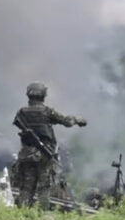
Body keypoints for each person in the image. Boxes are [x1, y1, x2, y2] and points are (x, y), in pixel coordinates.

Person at [11, 82, 86, 210]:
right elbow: (66, 122)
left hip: (27, 154)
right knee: (44, 187)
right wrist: (77, 120)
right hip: (44, 154)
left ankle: (22, 214)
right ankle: (41, 215)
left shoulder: (22, 112)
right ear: (43, 95)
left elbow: (17, 122)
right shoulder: (47, 112)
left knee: (27, 187)